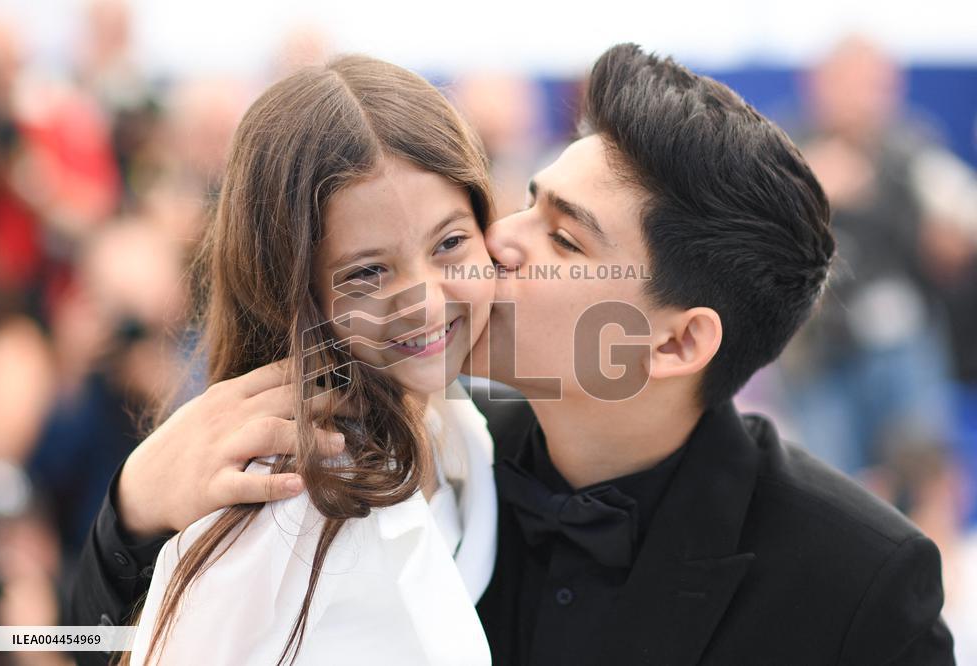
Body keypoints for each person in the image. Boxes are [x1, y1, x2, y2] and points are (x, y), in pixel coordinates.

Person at [69, 44, 955, 665]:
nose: (498, 244)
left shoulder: (860, 584)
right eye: (524, 200)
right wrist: (133, 513)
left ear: (680, 338)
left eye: (565, 241)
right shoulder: (407, 446)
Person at [85, 54, 502, 665]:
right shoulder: (284, 503)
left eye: (450, 243)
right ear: (288, 289)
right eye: (368, 273)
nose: (426, 302)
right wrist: (130, 508)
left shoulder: (463, 426)